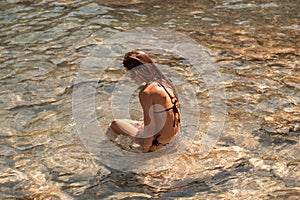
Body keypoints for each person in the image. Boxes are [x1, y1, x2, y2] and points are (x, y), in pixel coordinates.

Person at [110, 50, 181, 152]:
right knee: (136, 124)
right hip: (172, 137)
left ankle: (108, 152)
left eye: (131, 74)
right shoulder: (165, 82)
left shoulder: (146, 92)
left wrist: (145, 150)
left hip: (158, 143)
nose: (130, 78)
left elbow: (150, 128)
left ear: (138, 72)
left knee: (115, 124)